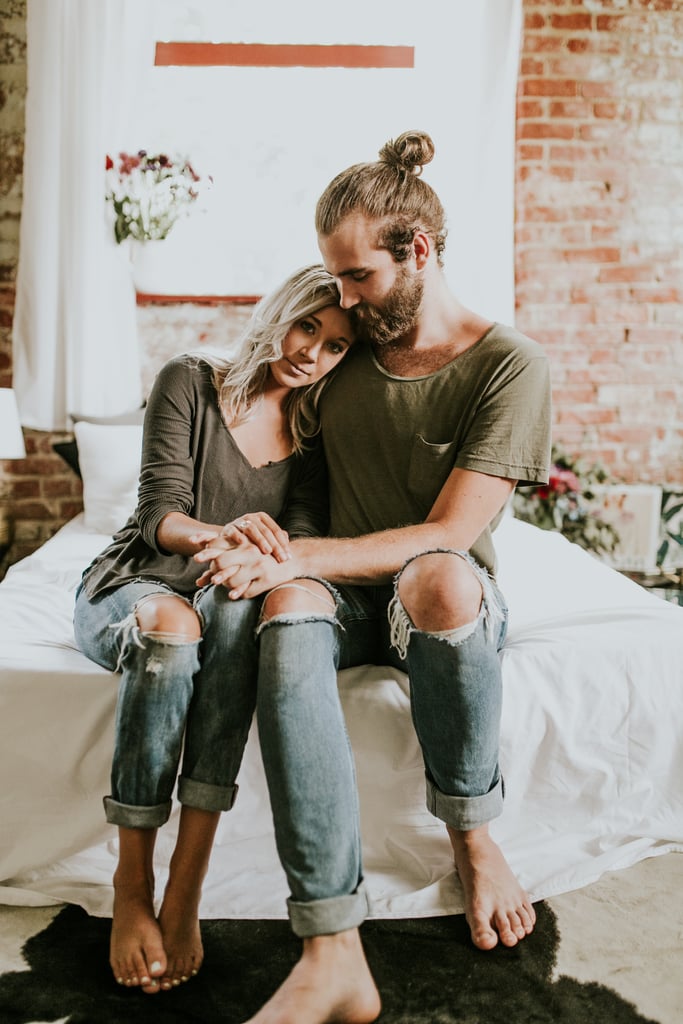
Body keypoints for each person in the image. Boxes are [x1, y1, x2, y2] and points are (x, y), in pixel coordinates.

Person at [195, 130, 552, 1024]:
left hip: (431, 590)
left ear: (418, 252)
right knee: (282, 601)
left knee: (441, 580)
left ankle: (472, 838)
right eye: (334, 279)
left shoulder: (509, 365)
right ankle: (330, 943)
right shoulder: (344, 350)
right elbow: (263, 439)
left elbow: (450, 533)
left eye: (357, 277)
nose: (341, 297)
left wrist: (295, 553)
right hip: (340, 594)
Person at [73, 264, 355, 995]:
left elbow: (294, 542)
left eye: (334, 347)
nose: (311, 353)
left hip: (225, 589)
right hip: (142, 582)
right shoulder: (189, 380)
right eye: (307, 327)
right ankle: (132, 886)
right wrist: (225, 535)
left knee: (239, 613)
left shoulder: (315, 434)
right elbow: (157, 516)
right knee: (172, 629)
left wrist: (253, 561)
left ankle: (185, 888)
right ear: (282, 313)